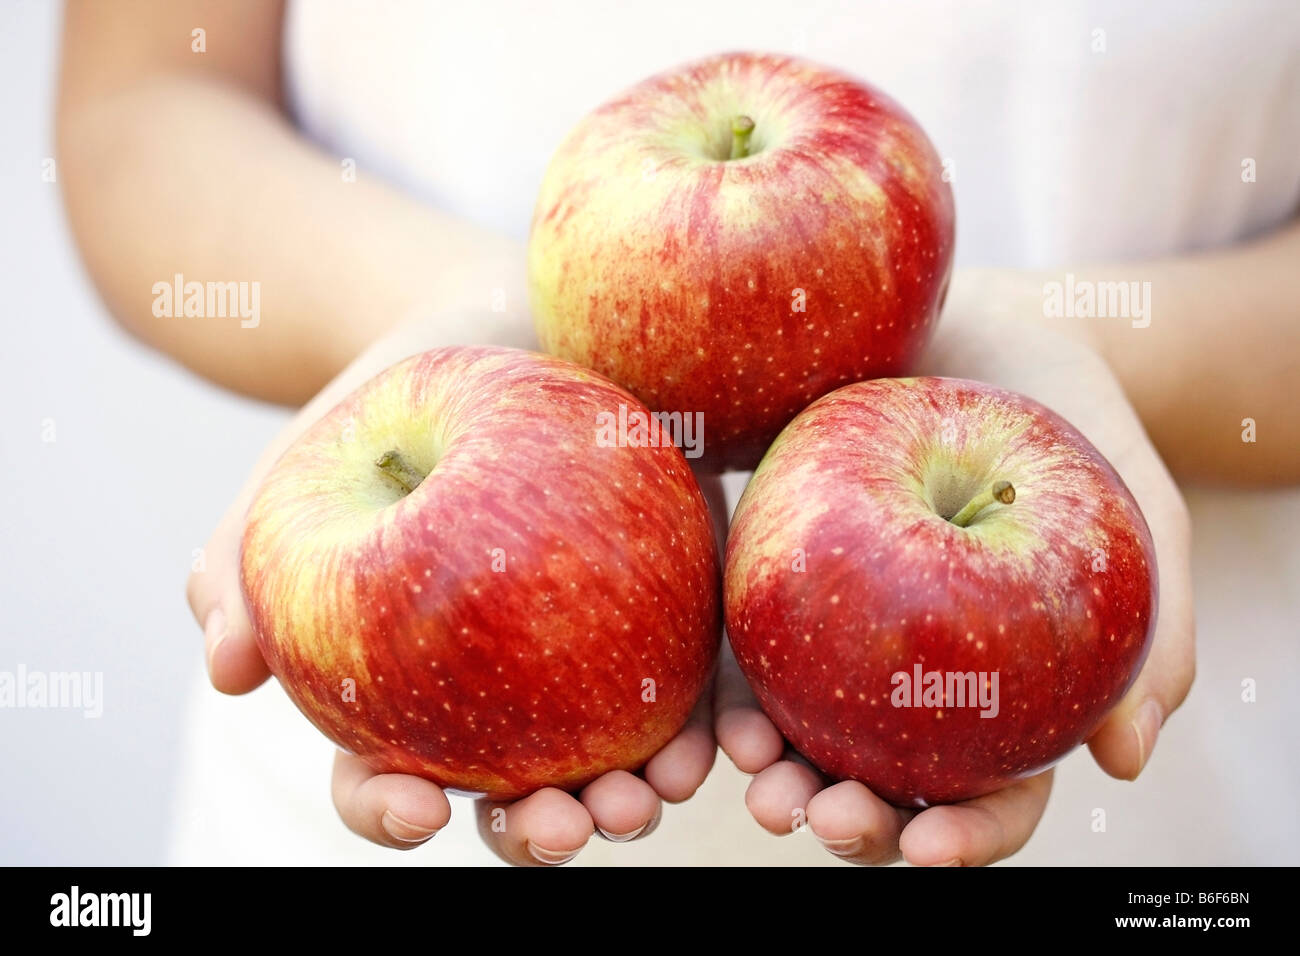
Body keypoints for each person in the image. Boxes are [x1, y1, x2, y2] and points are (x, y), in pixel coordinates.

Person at [57, 0, 1298, 866]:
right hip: (380, 744)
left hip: (1151, 790)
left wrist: (1066, 358)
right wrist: (493, 331)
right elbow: (140, 114)